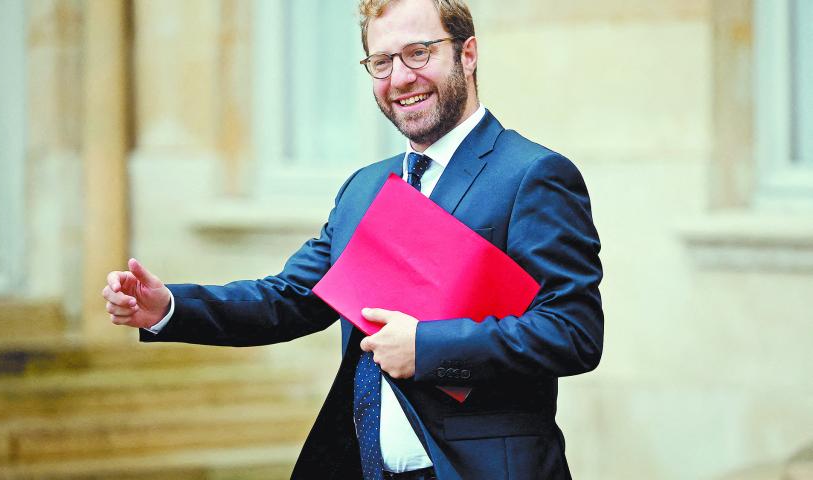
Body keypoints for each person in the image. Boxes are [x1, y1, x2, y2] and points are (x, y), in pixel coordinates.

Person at [101, 0, 603, 478]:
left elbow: (572, 332)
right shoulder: (365, 189)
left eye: (418, 53)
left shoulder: (533, 175)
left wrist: (425, 348)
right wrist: (168, 306)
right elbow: (291, 298)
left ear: (467, 54)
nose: (400, 78)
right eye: (381, 62)